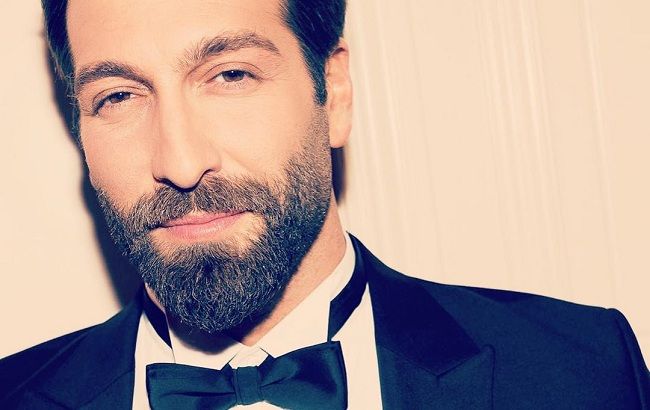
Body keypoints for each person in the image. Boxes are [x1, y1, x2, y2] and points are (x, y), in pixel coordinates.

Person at [1, 0, 648, 408]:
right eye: (118, 96)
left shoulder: (580, 370)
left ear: (332, 91)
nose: (180, 162)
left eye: (231, 76)